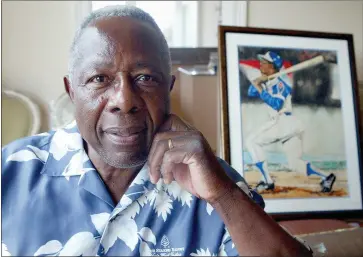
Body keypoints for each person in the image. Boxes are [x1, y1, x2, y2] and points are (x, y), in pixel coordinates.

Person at [1, 6, 312, 256]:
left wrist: (223, 194)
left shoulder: (213, 181)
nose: (124, 101)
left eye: (146, 78)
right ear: (71, 90)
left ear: (169, 88)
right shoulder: (11, 172)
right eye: (99, 79)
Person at [246, 51, 336, 193]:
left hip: (284, 121)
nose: (260, 64)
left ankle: (267, 181)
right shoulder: (268, 80)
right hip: (288, 125)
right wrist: (259, 81)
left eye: (264, 62)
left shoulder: (282, 83)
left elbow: (276, 104)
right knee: (295, 164)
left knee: (252, 141)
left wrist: (259, 86)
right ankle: (327, 177)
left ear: (272, 66)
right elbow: (251, 92)